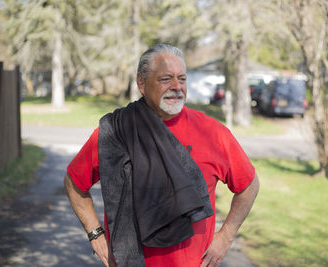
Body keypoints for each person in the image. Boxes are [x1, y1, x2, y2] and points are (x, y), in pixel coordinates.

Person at [64, 43, 260, 267]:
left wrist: (226, 237)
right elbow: (73, 182)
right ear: (141, 82)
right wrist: (96, 235)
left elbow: (249, 185)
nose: (176, 86)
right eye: (166, 78)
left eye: (182, 79)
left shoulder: (211, 132)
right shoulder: (117, 132)